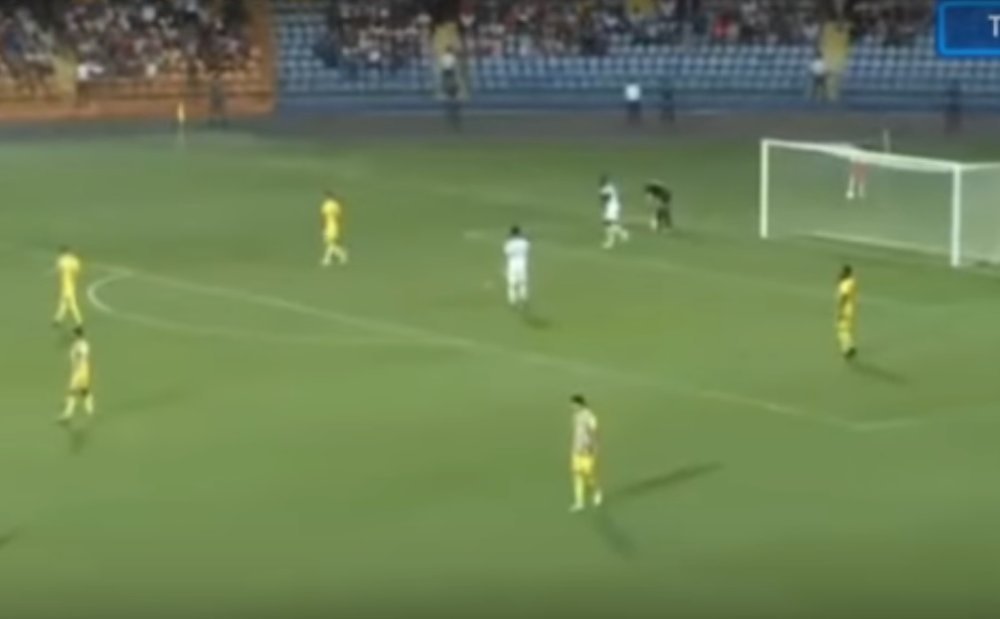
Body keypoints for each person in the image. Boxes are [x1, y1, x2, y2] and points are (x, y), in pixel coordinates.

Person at [569, 394, 603, 513]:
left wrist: (596, 445)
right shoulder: (575, 416)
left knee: (589, 475)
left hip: (587, 450)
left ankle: (596, 492)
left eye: (573, 404)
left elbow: (595, 431)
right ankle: (579, 502)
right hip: (576, 450)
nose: (572, 407)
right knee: (577, 475)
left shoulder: (589, 416)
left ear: (579, 404)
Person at [59, 326, 95, 423]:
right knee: (83, 390)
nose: (72, 336)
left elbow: (83, 357)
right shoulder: (76, 344)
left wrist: (78, 368)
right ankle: (90, 408)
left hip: (81, 370)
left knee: (72, 391)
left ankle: (67, 414)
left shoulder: (82, 345)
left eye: (73, 334)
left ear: (78, 335)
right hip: (78, 369)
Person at [53, 246, 83, 327]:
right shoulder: (75, 260)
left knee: (72, 304)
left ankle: (79, 322)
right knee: (63, 303)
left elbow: (59, 270)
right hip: (71, 285)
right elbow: (77, 272)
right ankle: (57, 319)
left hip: (66, 286)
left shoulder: (61, 260)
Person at [600, 175, 630, 249]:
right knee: (610, 224)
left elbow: (605, 200)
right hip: (615, 206)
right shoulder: (611, 187)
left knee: (608, 224)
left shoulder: (605, 189)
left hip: (611, 208)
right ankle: (623, 233)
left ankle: (610, 242)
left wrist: (604, 209)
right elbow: (618, 196)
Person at [503, 225, 530, 308]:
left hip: (512, 264)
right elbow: (527, 250)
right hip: (522, 263)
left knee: (512, 283)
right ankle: (524, 298)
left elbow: (507, 253)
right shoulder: (524, 242)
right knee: (523, 282)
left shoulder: (509, 243)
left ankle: (513, 301)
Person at [320, 191, 348, 267]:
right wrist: (340, 226)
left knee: (329, 243)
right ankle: (332, 257)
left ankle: (329, 259)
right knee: (331, 243)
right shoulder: (336, 205)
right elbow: (340, 217)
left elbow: (323, 217)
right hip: (335, 226)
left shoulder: (326, 205)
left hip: (328, 226)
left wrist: (323, 228)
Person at [836, 264, 858, 359]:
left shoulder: (844, 284)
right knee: (848, 329)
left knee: (842, 330)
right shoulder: (852, 281)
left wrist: (840, 310)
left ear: (846, 273)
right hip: (852, 308)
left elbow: (843, 297)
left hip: (845, 309)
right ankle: (851, 345)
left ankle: (847, 349)